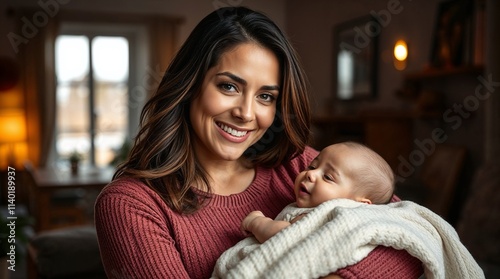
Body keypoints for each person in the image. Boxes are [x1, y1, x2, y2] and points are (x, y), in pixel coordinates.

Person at [94, 6, 423, 279]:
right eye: (229, 87)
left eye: (265, 96)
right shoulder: (131, 205)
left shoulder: (301, 166)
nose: (246, 113)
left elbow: (412, 239)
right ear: (191, 84)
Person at [241, 141, 394, 243]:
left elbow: (286, 236)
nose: (310, 174)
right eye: (312, 166)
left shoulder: (332, 216)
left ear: (358, 204)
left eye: (327, 177)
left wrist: (257, 223)